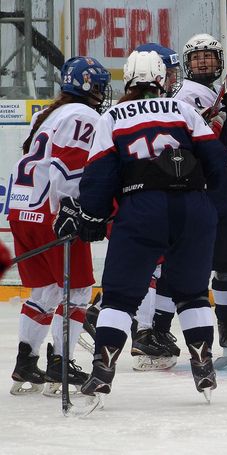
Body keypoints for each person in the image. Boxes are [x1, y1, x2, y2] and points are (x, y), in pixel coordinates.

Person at [70, 50, 227, 400]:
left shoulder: (112, 116)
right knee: (192, 294)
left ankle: (102, 370)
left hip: (142, 208)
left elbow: (98, 175)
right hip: (193, 208)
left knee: (118, 298)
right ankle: (203, 365)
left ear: (127, 79)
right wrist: (211, 209)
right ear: (162, 79)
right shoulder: (183, 110)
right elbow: (217, 161)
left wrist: (92, 218)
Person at [149, 32, 227, 364]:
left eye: (209, 56)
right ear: (186, 64)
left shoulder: (214, 93)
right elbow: (203, 142)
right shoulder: (185, 95)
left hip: (217, 193)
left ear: (219, 61)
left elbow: (224, 147)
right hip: (192, 192)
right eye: (197, 57)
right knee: (177, 264)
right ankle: (157, 330)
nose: (203, 61)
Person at [7, 56, 111, 395]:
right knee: (77, 291)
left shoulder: (46, 113)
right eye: (98, 86)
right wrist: (71, 204)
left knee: (46, 290)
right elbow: (69, 165)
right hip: (55, 214)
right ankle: (60, 364)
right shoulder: (84, 115)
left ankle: (25, 361)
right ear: (85, 87)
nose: (101, 93)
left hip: (23, 211)